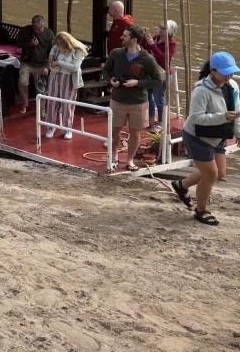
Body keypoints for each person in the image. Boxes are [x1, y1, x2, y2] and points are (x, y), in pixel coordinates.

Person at [171, 52, 240, 225]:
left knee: (219, 173)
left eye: (231, 72)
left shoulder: (232, 85)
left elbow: (237, 111)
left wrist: (238, 133)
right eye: (225, 72)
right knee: (210, 174)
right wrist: (223, 116)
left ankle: (181, 185)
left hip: (218, 135)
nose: (229, 76)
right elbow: (194, 118)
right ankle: (201, 211)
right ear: (213, 70)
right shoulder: (201, 91)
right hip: (198, 136)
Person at [103, 24, 163, 171]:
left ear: (134, 40)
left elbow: (158, 80)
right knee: (115, 130)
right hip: (118, 100)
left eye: (125, 36)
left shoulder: (147, 59)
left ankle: (130, 160)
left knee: (135, 132)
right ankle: (114, 155)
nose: (121, 37)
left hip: (138, 102)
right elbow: (106, 70)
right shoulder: (116, 53)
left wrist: (138, 82)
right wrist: (111, 81)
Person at [45, 32, 87, 139]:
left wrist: (58, 62)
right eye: (58, 44)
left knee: (67, 105)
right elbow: (53, 50)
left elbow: (74, 67)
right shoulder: (56, 47)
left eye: (61, 44)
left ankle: (67, 129)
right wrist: (51, 56)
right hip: (55, 76)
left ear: (67, 42)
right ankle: (51, 127)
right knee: (51, 102)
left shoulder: (78, 50)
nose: (59, 47)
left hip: (69, 79)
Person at [17, 15, 55, 114]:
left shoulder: (49, 34)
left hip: (41, 64)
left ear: (43, 26)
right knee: (22, 82)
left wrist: (47, 67)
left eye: (39, 28)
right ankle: (24, 104)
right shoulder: (26, 30)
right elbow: (18, 43)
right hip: (27, 62)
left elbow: (52, 53)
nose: (37, 30)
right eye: (35, 28)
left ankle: (42, 109)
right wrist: (30, 44)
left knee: (41, 88)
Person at [142, 21, 178, 125]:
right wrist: (145, 40)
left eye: (163, 28)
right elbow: (147, 51)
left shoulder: (172, 43)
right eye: (160, 27)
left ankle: (162, 121)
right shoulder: (156, 37)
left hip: (162, 74)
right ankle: (151, 117)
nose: (160, 30)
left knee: (158, 98)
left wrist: (152, 45)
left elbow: (163, 59)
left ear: (170, 31)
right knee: (148, 95)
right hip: (151, 72)